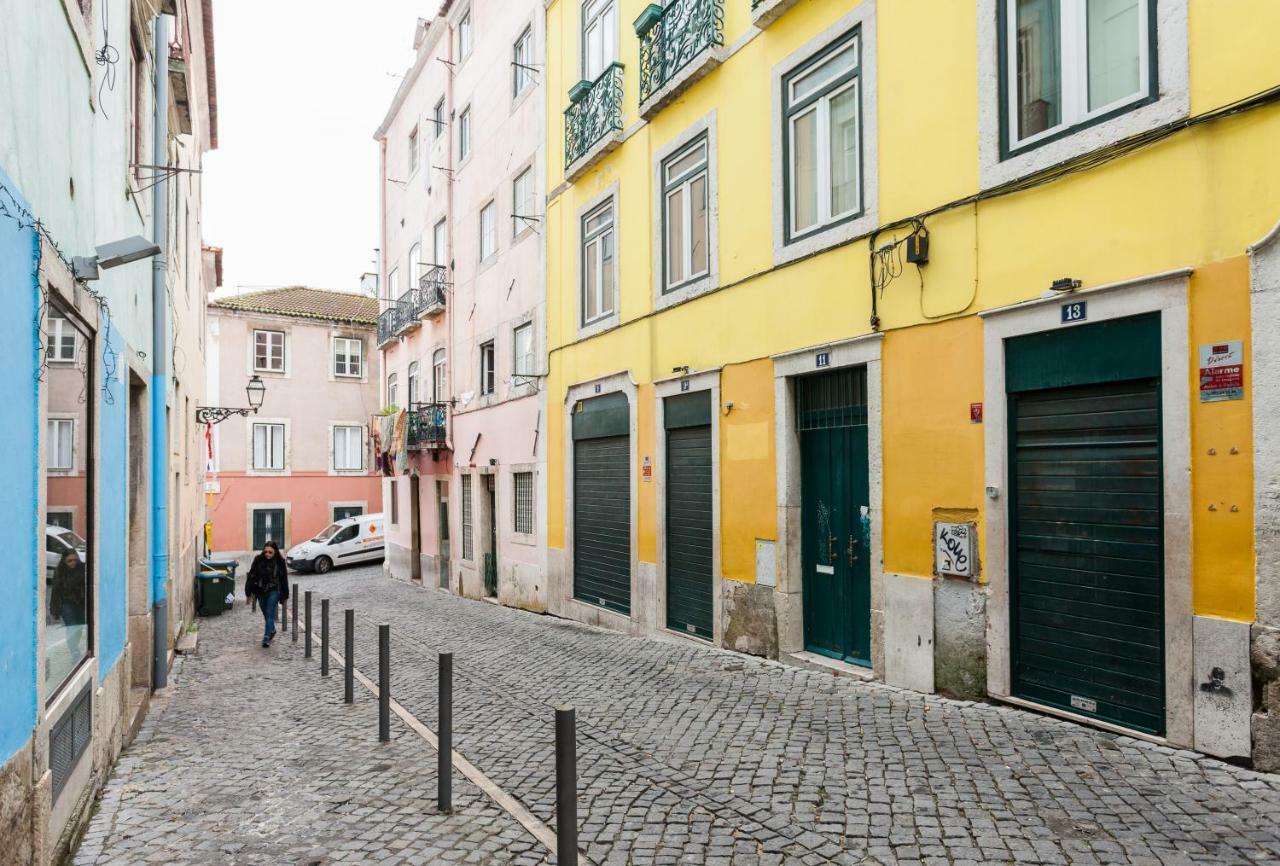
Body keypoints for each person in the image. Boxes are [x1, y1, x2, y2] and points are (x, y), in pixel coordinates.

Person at [245, 541, 290, 647]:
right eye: (265, 552)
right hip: (260, 591)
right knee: (266, 614)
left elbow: (284, 579)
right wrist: (248, 592)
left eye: (270, 552)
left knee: (269, 613)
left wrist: (285, 595)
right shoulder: (258, 560)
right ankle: (272, 630)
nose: (267, 554)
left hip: (274, 590)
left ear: (275, 552)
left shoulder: (279, 562)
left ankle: (266, 638)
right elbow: (251, 576)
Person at [50, 549, 87, 655]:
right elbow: (55, 591)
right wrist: (54, 610)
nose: (73, 563)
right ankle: (74, 650)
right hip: (66, 603)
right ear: (64, 561)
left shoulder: (82, 569)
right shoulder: (60, 571)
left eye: (75, 560)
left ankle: (75, 647)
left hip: (81, 603)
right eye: (69, 561)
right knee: (71, 627)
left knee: (79, 627)